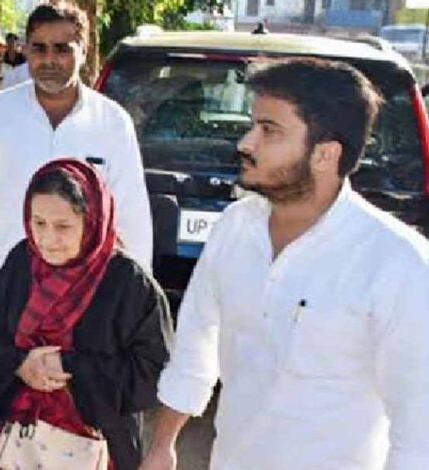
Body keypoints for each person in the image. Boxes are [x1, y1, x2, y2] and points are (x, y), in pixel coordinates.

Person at [140, 58, 429, 470]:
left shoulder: (397, 262)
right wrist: (161, 446)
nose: (246, 143)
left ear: (325, 154)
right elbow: (195, 347)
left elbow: (417, 432)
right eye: (252, 125)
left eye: (269, 130)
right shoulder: (235, 228)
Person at [0, 1, 153, 364]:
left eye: (62, 49)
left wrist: (134, 296)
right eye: (39, 48)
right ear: (26, 50)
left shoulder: (112, 123)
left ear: (84, 50)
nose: (49, 59)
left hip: (80, 298)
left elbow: (131, 215)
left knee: (64, 391)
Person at [0, 159, 170, 470]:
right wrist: (19, 364)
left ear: (92, 221)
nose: (47, 239)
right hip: (15, 445)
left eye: (63, 226)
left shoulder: (127, 282)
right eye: (38, 223)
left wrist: (69, 367)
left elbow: (154, 371)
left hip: (100, 450)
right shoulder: (21, 263)